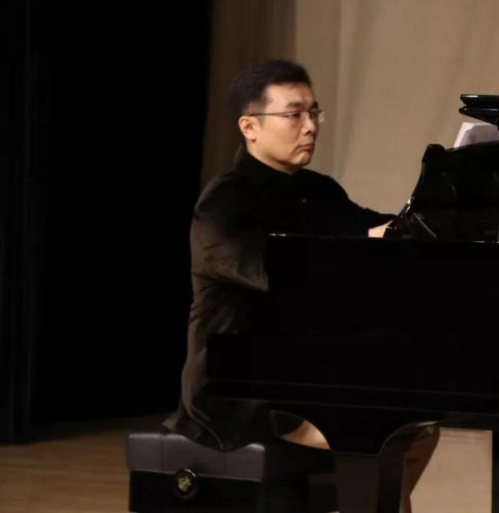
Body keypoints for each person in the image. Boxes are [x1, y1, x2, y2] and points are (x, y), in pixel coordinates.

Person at [163, 58, 439, 512]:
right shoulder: (223, 205)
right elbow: (280, 274)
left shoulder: (318, 190)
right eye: (294, 114)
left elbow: (370, 228)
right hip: (242, 390)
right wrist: (358, 245)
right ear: (250, 127)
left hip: (307, 377)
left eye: (314, 113)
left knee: (419, 425)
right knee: (386, 432)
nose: (310, 126)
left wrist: (426, 221)